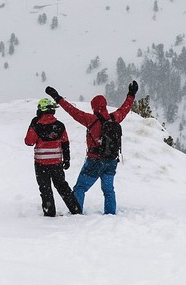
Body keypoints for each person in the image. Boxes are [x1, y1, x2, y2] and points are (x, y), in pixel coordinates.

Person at [44, 80, 138, 215]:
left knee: (80, 187)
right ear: (105, 105)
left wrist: (57, 97)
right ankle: (110, 214)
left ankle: (77, 213)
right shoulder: (115, 118)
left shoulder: (90, 120)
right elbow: (125, 108)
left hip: (94, 161)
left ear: (93, 107)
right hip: (111, 160)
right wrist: (131, 94)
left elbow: (72, 110)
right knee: (108, 190)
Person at [24, 98, 83, 217]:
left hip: (41, 164)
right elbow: (65, 143)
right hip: (56, 163)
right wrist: (66, 159)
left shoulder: (37, 125)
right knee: (62, 186)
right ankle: (76, 210)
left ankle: (49, 213)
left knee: (45, 189)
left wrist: (32, 125)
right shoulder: (59, 125)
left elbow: (29, 142)